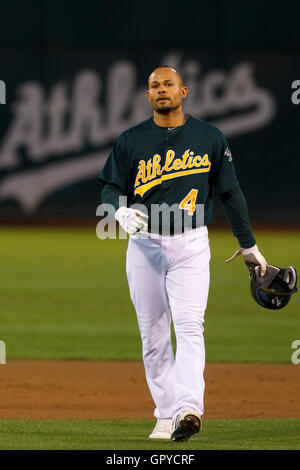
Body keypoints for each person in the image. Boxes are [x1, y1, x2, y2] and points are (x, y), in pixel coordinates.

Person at [98, 66, 267, 442]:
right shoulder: (131, 140)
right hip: (144, 246)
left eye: (168, 84)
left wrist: (249, 245)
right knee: (153, 334)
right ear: (147, 96)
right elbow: (111, 187)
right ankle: (164, 413)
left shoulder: (209, 137)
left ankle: (188, 409)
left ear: (183, 91)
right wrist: (119, 210)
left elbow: (230, 193)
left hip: (191, 244)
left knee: (190, 327)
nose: (161, 90)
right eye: (154, 86)